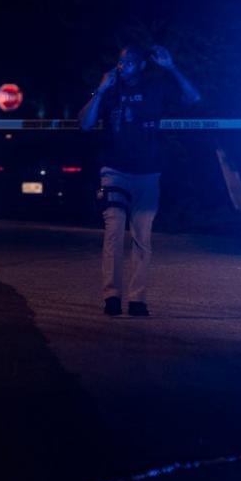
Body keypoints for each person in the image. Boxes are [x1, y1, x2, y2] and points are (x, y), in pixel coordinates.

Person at [78, 43, 201, 316]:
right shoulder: (110, 91)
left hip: (148, 172)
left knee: (142, 236)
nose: (124, 67)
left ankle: (138, 299)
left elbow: (193, 98)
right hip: (114, 171)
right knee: (113, 232)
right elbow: (85, 123)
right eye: (121, 62)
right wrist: (100, 90)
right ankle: (111, 296)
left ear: (142, 64)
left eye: (130, 62)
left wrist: (172, 67)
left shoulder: (155, 86)